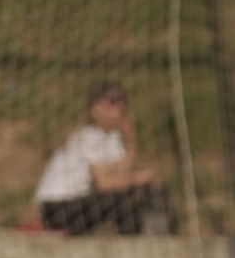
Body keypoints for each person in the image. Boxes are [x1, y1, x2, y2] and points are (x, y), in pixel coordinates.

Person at [33, 81, 172, 236]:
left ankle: (156, 234)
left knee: (139, 192)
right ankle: (133, 241)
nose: (119, 106)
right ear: (95, 109)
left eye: (122, 101)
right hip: (58, 207)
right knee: (123, 200)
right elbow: (104, 184)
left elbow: (121, 175)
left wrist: (130, 140)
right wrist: (140, 178)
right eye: (112, 101)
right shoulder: (89, 135)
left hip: (80, 203)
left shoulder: (111, 137)